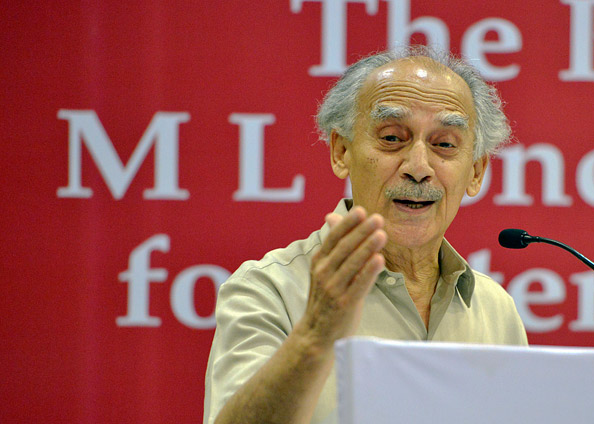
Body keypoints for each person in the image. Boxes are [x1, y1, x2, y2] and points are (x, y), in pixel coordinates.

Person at [203, 46, 528, 424]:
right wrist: (315, 334)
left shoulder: (495, 310)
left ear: (475, 171)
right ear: (341, 150)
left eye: (444, 145)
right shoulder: (269, 288)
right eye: (392, 138)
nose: (419, 168)